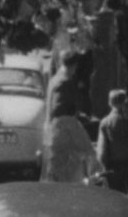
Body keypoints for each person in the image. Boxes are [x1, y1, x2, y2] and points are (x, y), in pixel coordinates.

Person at [43, 50, 101, 183]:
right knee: (89, 153)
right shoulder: (65, 81)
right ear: (74, 66)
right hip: (64, 126)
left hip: (52, 130)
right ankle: (94, 183)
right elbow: (60, 109)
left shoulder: (54, 79)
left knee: (57, 170)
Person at [98, 89, 128, 195]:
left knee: (112, 194)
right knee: (124, 191)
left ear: (110, 103)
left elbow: (102, 148)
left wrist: (103, 164)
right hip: (127, 162)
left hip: (111, 164)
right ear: (124, 102)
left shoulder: (105, 122)